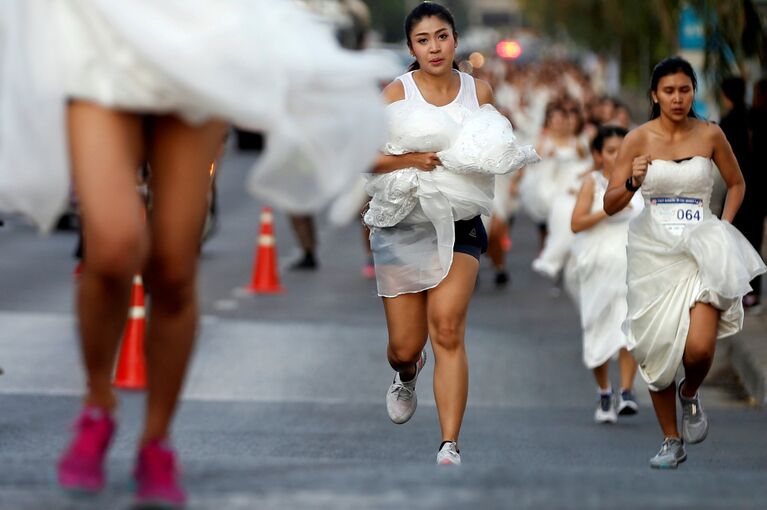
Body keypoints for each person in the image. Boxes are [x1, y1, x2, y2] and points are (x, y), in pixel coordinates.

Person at [0, 1, 391, 506]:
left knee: (172, 268)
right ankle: (98, 404)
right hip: (99, 30)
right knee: (114, 246)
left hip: (200, 36)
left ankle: (156, 441)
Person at [364, 2, 537, 465]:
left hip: (460, 223)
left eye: (442, 36)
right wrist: (410, 160)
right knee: (405, 345)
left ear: (456, 40)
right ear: (411, 48)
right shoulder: (395, 94)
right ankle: (406, 372)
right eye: (423, 40)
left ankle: (449, 444)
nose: (434, 47)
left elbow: (494, 147)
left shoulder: (478, 90)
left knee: (447, 328)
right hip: (403, 222)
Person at [604, 57, 766, 469]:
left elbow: (737, 183)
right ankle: (670, 440)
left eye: (685, 90)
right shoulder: (637, 139)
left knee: (698, 350)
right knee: (655, 348)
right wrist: (632, 181)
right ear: (655, 96)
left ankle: (690, 393)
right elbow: (610, 203)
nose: (678, 98)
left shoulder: (711, 133)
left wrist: (724, 227)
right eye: (669, 91)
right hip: (653, 251)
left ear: (693, 93)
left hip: (702, 246)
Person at [570, 126, 641, 423]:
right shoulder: (592, 183)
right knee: (598, 327)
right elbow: (576, 223)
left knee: (629, 328)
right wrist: (608, 210)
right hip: (598, 264)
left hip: (632, 264)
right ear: (599, 155)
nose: (617, 156)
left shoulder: (640, 182)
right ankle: (604, 392)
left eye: (623, 150)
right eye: (611, 150)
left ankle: (626, 391)